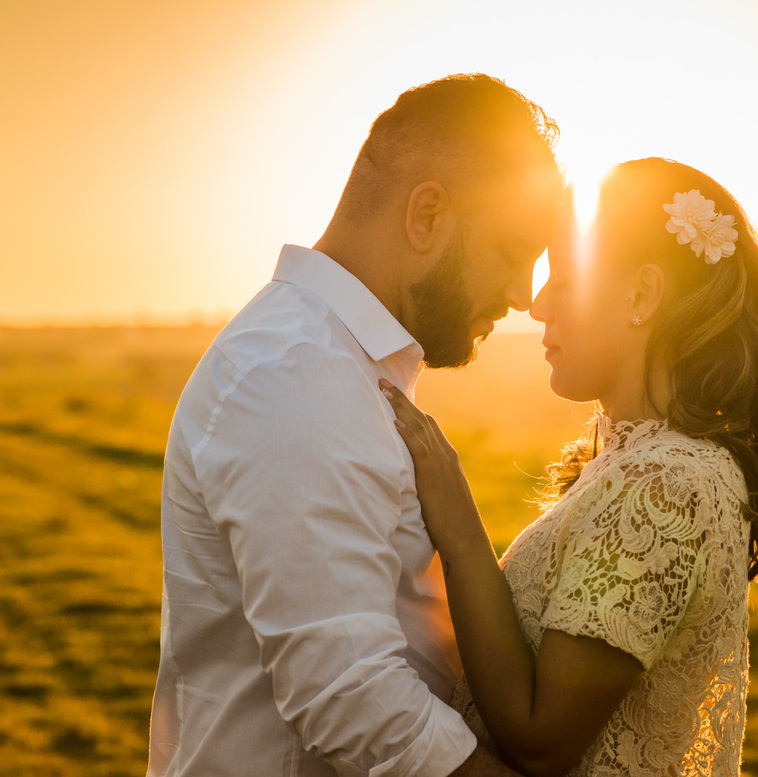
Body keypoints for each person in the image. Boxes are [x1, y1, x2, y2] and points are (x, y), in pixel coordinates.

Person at [148, 73, 567, 777]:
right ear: (426, 216)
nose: (524, 295)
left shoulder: (336, 362)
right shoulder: (295, 372)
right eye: (511, 250)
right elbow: (352, 700)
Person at [380, 157, 758, 776]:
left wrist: (457, 524)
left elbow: (540, 741)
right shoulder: (651, 465)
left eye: (564, 279)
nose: (537, 305)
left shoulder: (664, 485)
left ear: (641, 294)